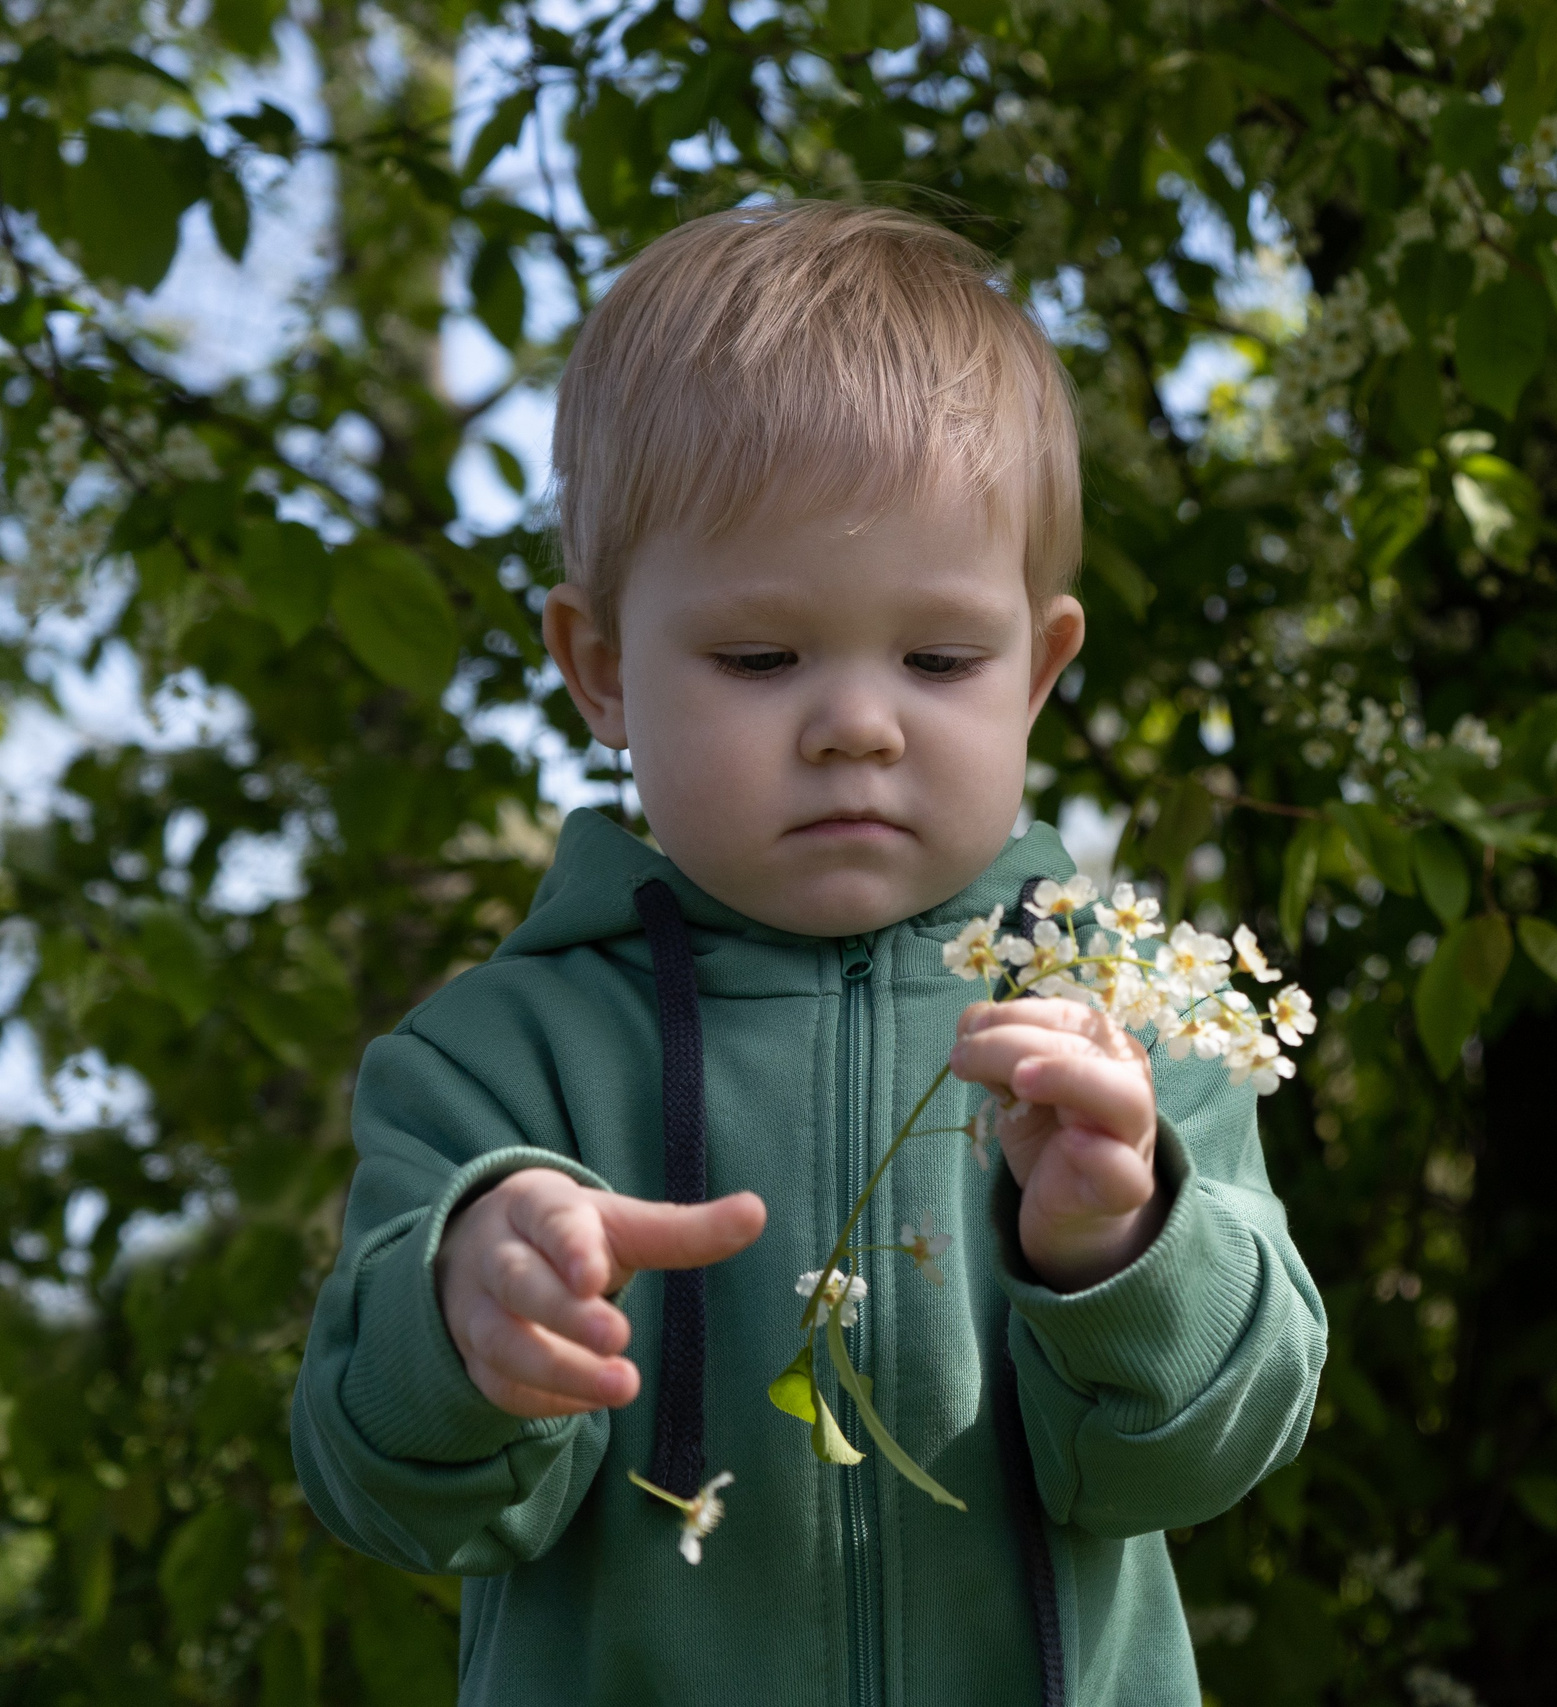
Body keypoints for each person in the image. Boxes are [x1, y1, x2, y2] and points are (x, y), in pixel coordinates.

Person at [289, 201, 1327, 1706]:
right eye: (763, 659)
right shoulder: (493, 1064)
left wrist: (1117, 1246)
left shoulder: (1121, 1028)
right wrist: (463, 1325)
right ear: (601, 669)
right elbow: (390, 1492)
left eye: (940, 659)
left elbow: (1201, 1454)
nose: (858, 721)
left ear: (1039, 674)